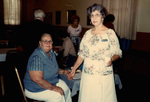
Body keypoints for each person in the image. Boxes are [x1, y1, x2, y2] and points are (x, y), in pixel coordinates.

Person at [68, 3, 122, 102]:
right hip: (88, 74)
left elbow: (118, 53)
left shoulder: (110, 33)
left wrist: (111, 59)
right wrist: (74, 69)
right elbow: (81, 54)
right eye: (92, 15)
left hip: (103, 73)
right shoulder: (87, 34)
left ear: (103, 17)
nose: (94, 17)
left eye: (97, 14)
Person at [23, 33, 72, 102]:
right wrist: (54, 88)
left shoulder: (51, 53)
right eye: (45, 41)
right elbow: (37, 79)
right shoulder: (36, 57)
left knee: (66, 89)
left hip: (50, 81)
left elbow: (53, 68)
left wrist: (63, 71)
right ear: (40, 43)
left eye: (50, 41)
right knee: (58, 96)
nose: (48, 43)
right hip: (35, 88)